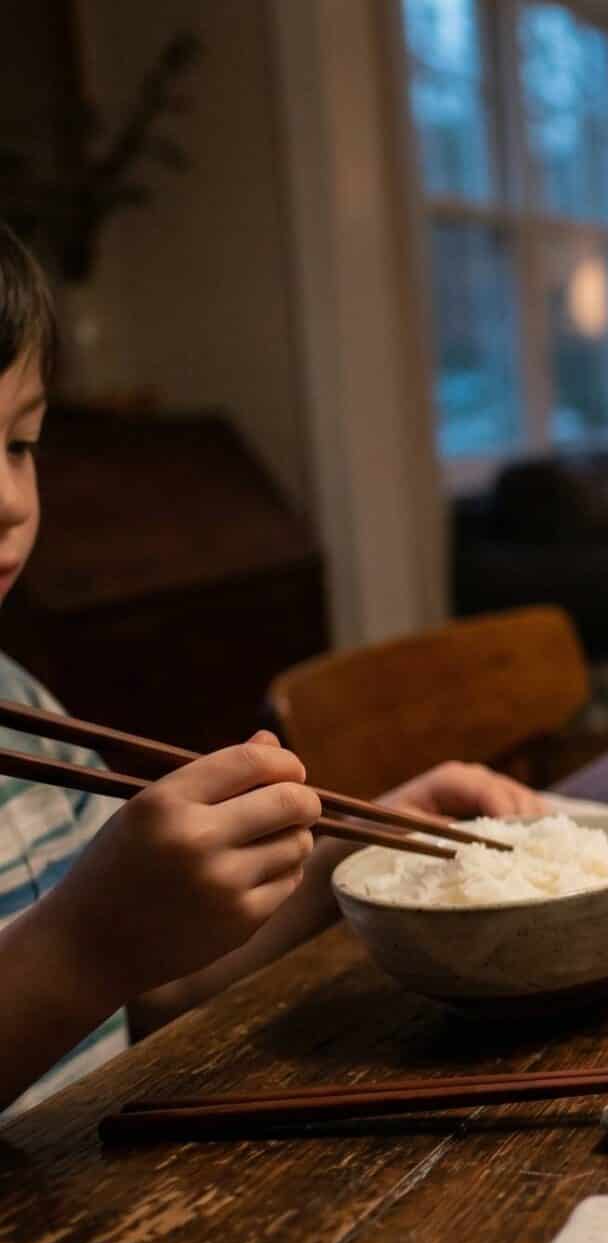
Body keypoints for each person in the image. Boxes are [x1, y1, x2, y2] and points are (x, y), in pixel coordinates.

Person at [0, 225, 548, 1111]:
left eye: (21, 443)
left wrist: (354, 859)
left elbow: (146, 994)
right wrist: (83, 944)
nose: (10, 501)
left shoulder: (17, 697)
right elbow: (92, 960)